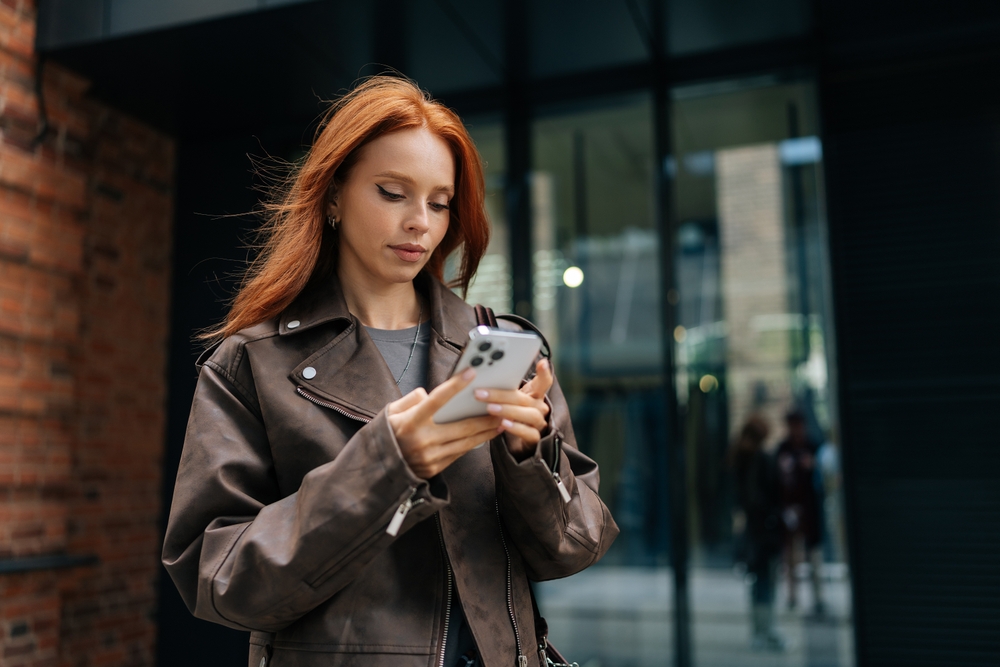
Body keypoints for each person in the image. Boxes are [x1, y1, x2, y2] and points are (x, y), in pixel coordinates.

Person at [161, 76, 618, 667]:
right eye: (391, 192)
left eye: (438, 202)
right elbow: (216, 578)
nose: (419, 223)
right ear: (333, 195)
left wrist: (528, 456)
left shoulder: (504, 347)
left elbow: (574, 547)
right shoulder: (251, 362)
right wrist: (388, 464)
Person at [729, 415, 785, 650]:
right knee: (764, 581)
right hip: (763, 530)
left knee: (762, 581)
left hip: (757, 530)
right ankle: (763, 631)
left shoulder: (742, 459)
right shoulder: (757, 460)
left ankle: (762, 631)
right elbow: (764, 497)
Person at [775, 408, 825, 615]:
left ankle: (818, 598)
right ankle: (792, 596)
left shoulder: (812, 446)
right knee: (791, 556)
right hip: (790, 510)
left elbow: (822, 478)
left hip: (810, 509)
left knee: (814, 555)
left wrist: (813, 467)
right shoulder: (783, 449)